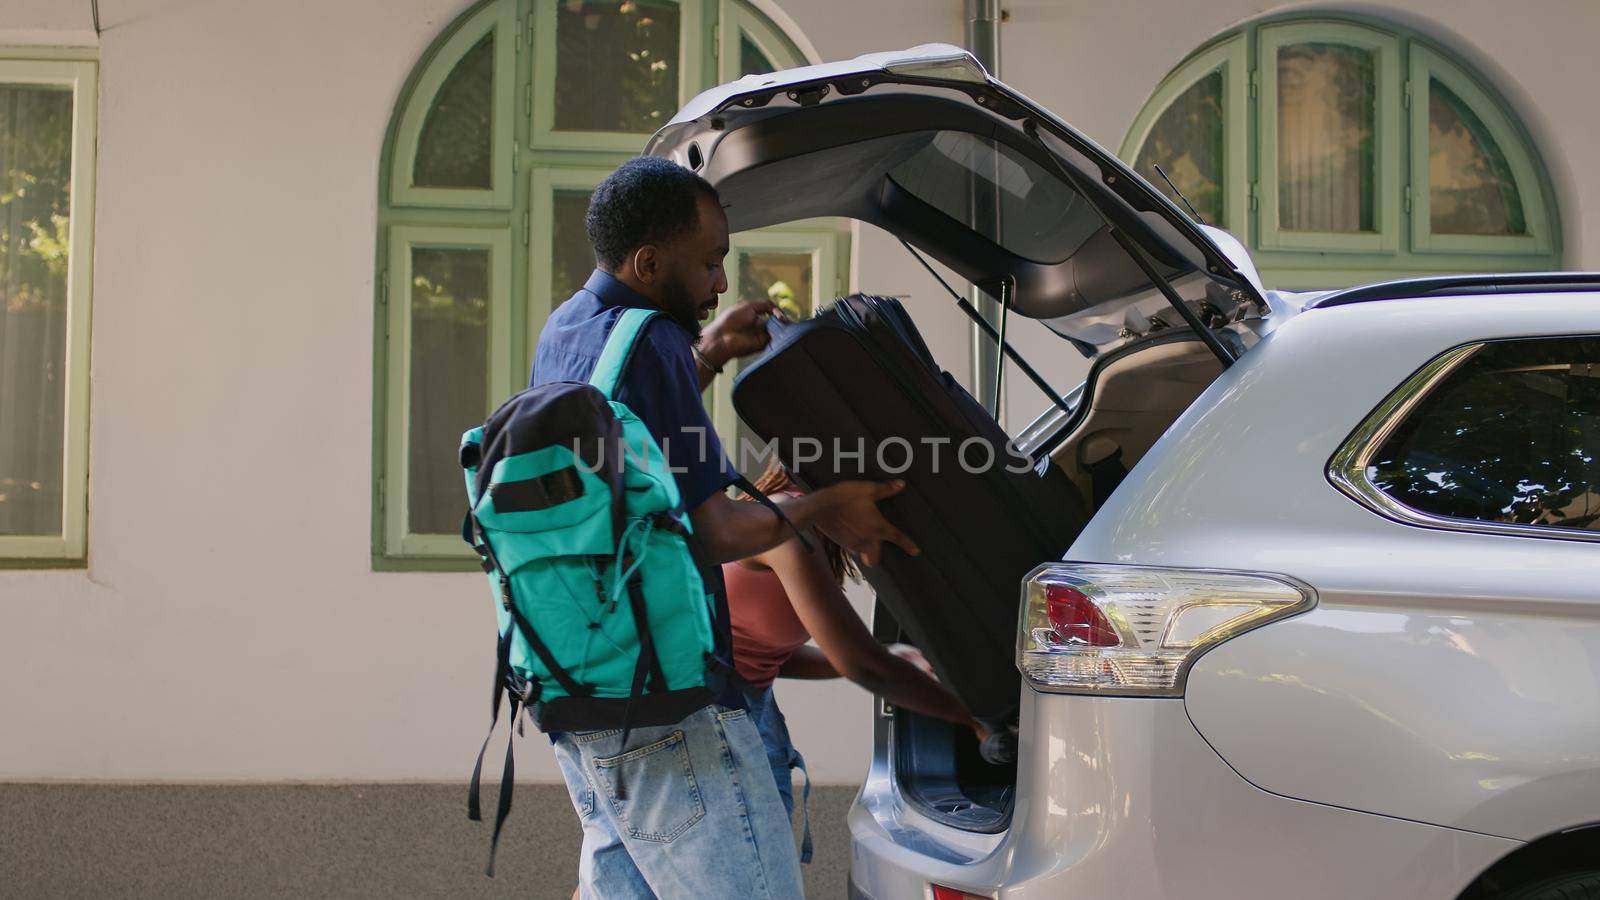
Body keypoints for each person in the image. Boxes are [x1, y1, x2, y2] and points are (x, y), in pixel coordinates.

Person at [529, 156, 918, 900]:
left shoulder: (572, 328)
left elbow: (632, 456)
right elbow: (712, 527)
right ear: (649, 262)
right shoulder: (655, 341)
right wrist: (823, 506)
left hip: (578, 686)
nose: (718, 284)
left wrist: (710, 354)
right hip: (664, 701)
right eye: (709, 263)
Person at [726, 459, 980, 858]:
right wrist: (974, 719)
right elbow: (861, 664)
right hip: (715, 724)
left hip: (747, 710)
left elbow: (769, 654)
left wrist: (887, 655)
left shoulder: (813, 528)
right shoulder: (784, 525)